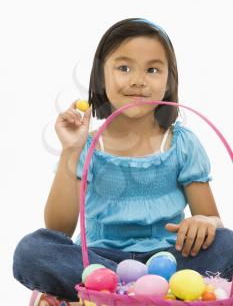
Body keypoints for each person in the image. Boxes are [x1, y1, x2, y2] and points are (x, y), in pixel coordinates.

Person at [12, 18, 233, 306]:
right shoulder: (88, 145)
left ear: (168, 82)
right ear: (101, 77)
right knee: (31, 250)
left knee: (227, 243)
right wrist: (71, 151)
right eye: (124, 67)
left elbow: (213, 222)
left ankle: (112, 296)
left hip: (168, 262)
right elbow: (58, 230)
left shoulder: (181, 143)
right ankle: (140, 293)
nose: (138, 80)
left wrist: (204, 222)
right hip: (99, 261)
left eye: (152, 69)